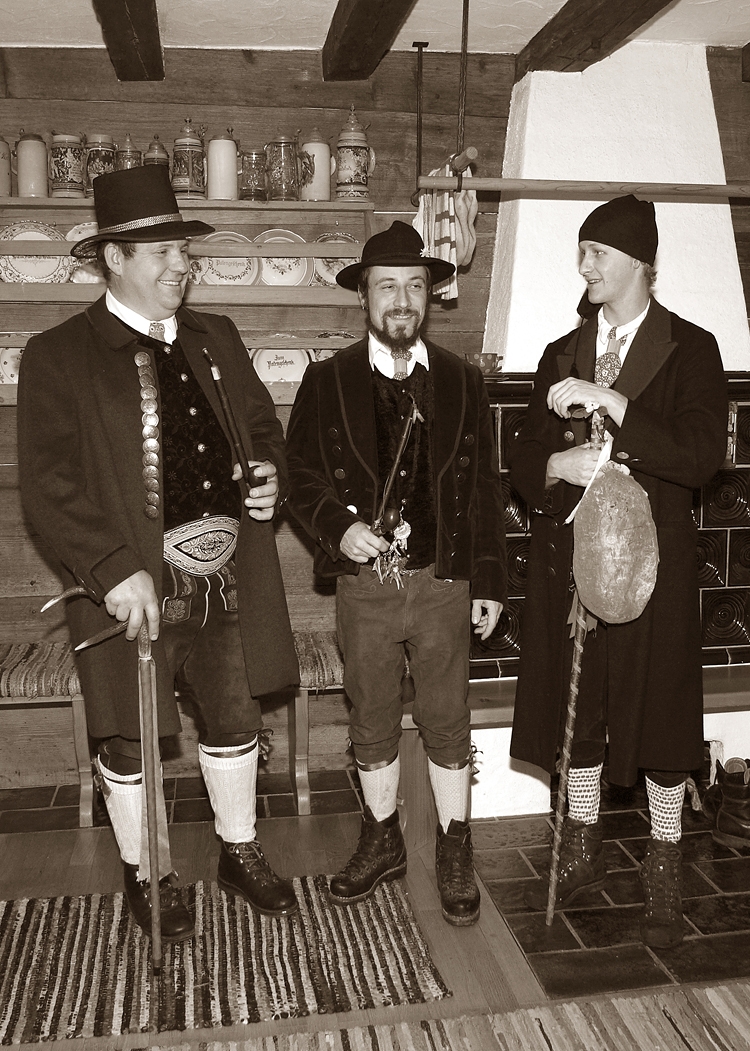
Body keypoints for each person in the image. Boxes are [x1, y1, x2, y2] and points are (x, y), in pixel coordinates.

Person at [17, 165, 300, 940]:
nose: (182, 265)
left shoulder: (218, 337)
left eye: (184, 250)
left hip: (227, 577)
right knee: (128, 734)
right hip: (128, 590)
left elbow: (262, 426)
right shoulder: (57, 354)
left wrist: (269, 472)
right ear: (115, 257)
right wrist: (112, 568)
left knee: (235, 714)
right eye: (163, 252)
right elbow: (48, 485)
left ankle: (239, 849)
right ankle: (146, 869)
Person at [509, 195, 727, 947]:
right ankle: (582, 844)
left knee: (663, 717)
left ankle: (664, 863)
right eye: (582, 251)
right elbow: (521, 452)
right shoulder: (560, 351)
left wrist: (614, 402)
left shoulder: (691, 350)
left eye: (597, 252)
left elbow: (701, 456)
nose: (585, 265)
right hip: (572, 566)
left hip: (654, 571)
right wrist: (554, 464)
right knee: (582, 715)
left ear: (639, 262)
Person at [285, 221, 507, 926]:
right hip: (366, 586)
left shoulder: (464, 381)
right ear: (365, 297)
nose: (402, 299)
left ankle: (455, 845)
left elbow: (486, 487)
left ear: (430, 296)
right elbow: (299, 476)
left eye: (415, 286)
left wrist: (490, 582)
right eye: (388, 286)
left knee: (447, 717)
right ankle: (382, 839)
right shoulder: (326, 381)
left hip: (444, 580)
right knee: (372, 714)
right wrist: (337, 527)